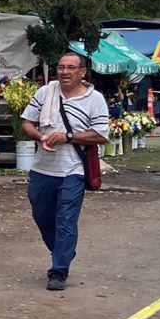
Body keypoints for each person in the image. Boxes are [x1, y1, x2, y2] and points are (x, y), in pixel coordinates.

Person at [19, 51, 110, 292]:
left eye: (71, 68)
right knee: (41, 214)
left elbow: (100, 135)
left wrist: (67, 137)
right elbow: (27, 121)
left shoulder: (95, 99)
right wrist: (40, 136)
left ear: (82, 72)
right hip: (42, 168)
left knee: (66, 220)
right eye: (61, 67)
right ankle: (64, 249)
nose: (65, 72)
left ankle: (58, 271)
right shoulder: (45, 92)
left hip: (74, 170)